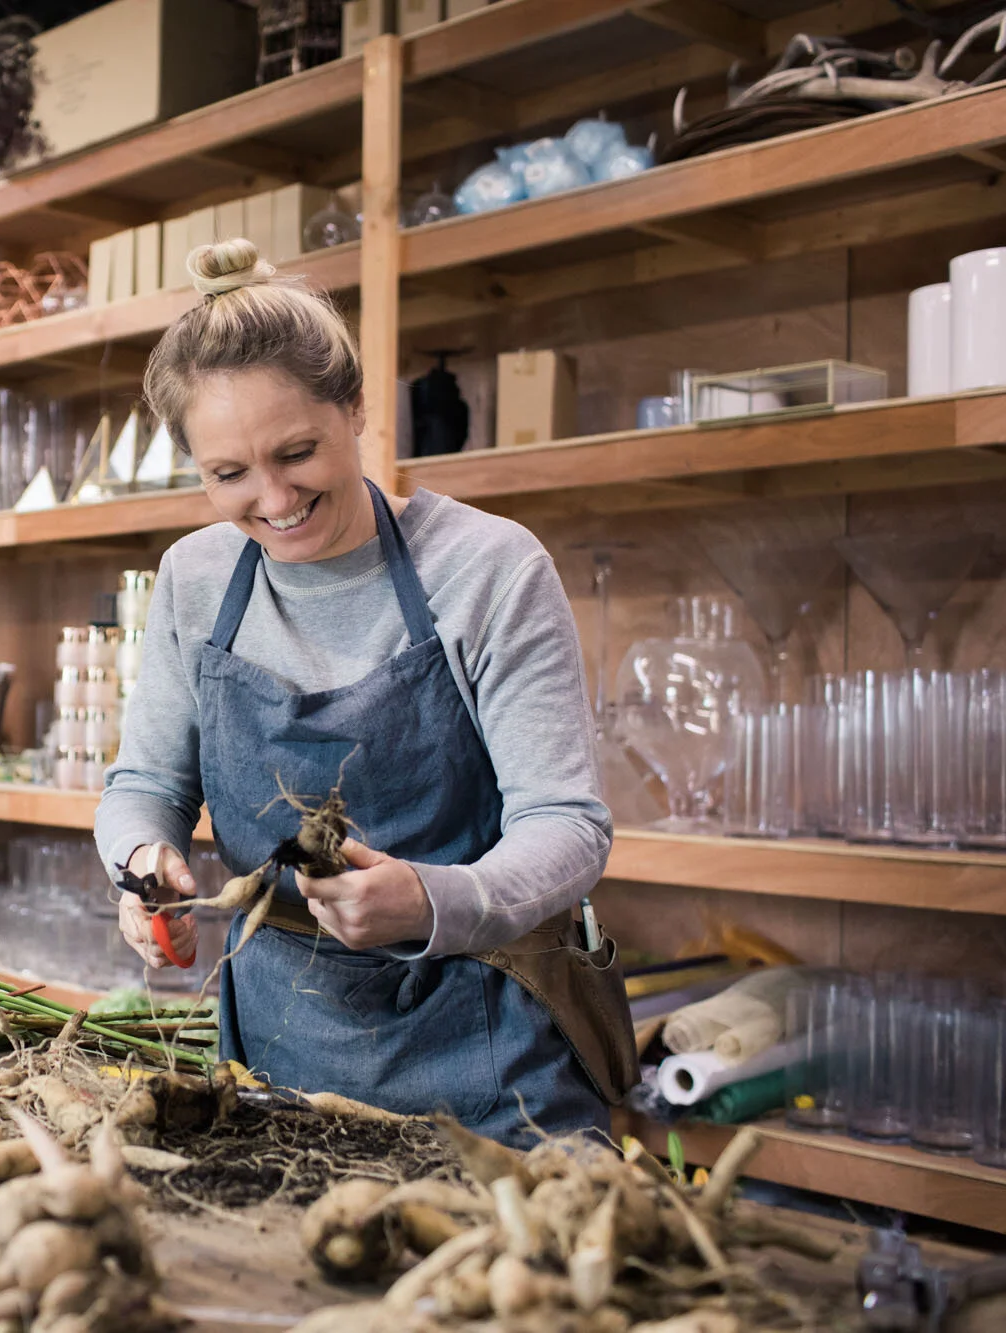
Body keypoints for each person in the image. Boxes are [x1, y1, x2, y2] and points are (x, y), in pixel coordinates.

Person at [94, 239, 636, 1144]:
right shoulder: (195, 580)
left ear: (354, 410)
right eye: (229, 474)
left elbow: (569, 825)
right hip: (276, 1062)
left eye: (297, 451)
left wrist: (432, 899)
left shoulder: (487, 569)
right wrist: (143, 866)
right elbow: (142, 785)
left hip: (492, 1061)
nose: (272, 498)